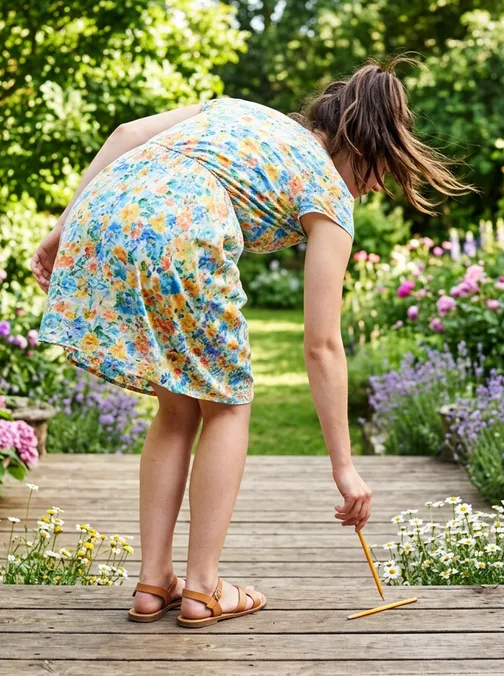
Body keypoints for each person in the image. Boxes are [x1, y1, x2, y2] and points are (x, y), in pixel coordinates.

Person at [30, 54, 472, 628]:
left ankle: (152, 583)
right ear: (358, 149)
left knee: (177, 404)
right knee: (228, 406)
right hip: (184, 225)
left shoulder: (240, 112)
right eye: (380, 170)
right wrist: (345, 468)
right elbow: (322, 345)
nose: (374, 186)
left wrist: (62, 226)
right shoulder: (329, 190)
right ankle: (203, 589)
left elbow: (125, 135)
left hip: (111, 207)